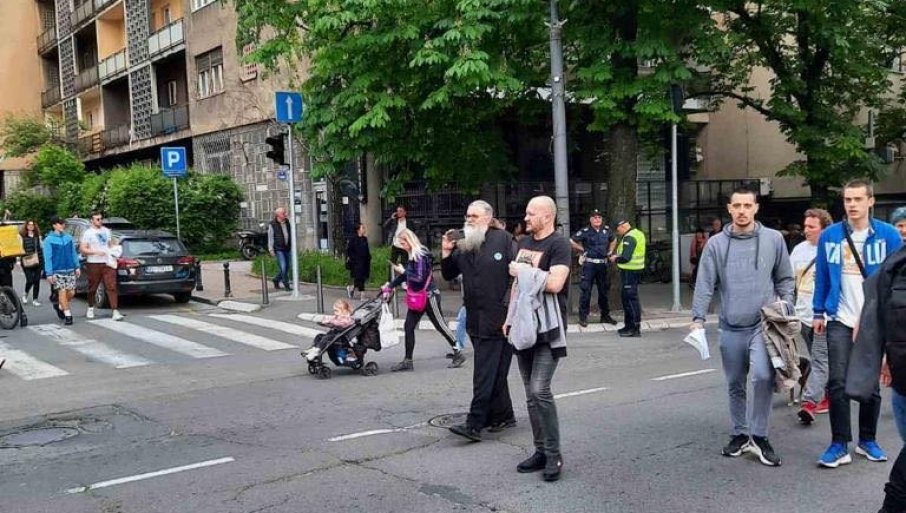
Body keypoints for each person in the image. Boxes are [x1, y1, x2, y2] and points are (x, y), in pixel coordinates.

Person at [690, 186, 794, 467]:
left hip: (763, 325)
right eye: (737, 206)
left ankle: (759, 436)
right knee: (735, 382)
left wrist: (787, 306)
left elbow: (785, 278)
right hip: (731, 326)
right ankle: (739, 433)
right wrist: (698, 318)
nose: (742, 211)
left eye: (748, 205)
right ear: (729, 209)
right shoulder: (715, 244)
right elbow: (704, 283)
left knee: (762, 376)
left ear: (756, 208)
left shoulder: (773, 239)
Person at [812, 179, 903, 468]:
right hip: (840, 317)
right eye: (847, 199)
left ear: (870, 201)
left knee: (869, 383)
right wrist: (818, 311)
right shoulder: (830, 236)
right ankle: (839, 444)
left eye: (857, 199)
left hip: (874, 320)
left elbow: (897, 280)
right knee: (837, 381)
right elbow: (822, 275)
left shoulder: (888, 235)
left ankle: (867, 440)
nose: (852, 204)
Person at [504, 195, 570, 482]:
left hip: (549, 327)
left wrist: (524, 271)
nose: (526, 218)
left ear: (547, 216)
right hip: (523, 326)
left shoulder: (559, 244)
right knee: (530, 395)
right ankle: (540, 451)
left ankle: (554, 454)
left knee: (540, 390)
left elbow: (555, 283)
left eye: (531, 214)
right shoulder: (524, 243)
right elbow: (517, 286)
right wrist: (508, 319)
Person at [442, 200, 517, 442]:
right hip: (475, 317)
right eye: (467, 216)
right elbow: (449, 274)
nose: (469, 220)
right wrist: (446, 252)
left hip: (499, 318)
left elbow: (516, 278)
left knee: (484, 372)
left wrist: (508, 309)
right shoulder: (466, 242)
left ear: (487, 217)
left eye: (473, 216)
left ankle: (474, 423)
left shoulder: (504, 240)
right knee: (495, 371)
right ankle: (503, 415)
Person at [382, 229, 465, 371]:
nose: (402, 246)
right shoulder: (412, 254)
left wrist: (404, 272)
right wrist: (390, 286)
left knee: (440, 325)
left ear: (409, 240)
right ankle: (408, 360)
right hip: (418, 297)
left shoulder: (421, 254)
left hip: (429, 295)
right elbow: (407, 276)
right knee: (408, 326)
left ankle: (458, 352)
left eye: (403, 243)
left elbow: (419, 278)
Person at [791, 208, 833, 424]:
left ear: (824, 229)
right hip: (803, 315)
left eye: (811, 227)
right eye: (805, 226)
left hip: (823, 317)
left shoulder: (833, 249)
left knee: (820, 359)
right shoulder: (799, 250)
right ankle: (829, 393)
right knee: (819, 360)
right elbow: (788, 280)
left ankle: (810, 403)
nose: (806, 230)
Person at [570, 209, 617, 327]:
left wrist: (610, 251)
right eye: (595, 218)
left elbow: (613, 239)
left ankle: (605, 316)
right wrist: (582, 249)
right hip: (589, 264)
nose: (597, 220)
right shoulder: (585, 231)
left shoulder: (606, 230)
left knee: (603, 291)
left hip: (602, 264)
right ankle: (583, 317)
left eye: (599, 218)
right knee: (586, 291)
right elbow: (572, 240)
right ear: (590, 219)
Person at [80, 212, 123, 321]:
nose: (100, 221)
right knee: (93, 287)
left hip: (107, 262)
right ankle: (90, 307)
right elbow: (83, 249)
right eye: (97, 219)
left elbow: (110, 244)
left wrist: (115, 250)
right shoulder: (88, 233)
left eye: (101, 219)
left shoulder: (106, 231)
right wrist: (95, 252)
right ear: (92, 221)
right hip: (94, 262)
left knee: (111, 286)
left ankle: (115, 310)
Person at [609, 217, 646, 337]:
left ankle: (634, 328)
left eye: (617, 229)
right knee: (627, 298)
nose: (617, 232)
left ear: (622, 226)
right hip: (633, 271)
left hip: (630, 271)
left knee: (630, 299)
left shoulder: (629, 237)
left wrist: (615, 258)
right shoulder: (637, 233)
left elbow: (626, 257)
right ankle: (628, 326)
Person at [43, 217, 80, 325]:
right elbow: (48, 258)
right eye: (60, 223)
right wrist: (49, 273)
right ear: (54, 225)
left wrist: (77, 266)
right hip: (57, 271)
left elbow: (73, 253)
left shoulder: (68, 238)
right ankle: (68, 315)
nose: (63, 225)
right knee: (62, 292)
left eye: (63, 223)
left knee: (71, 292)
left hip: (70, 269)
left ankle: (61, 304)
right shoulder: (48, 240)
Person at [19, 220, 43, 306]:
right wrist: (20, 259)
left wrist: (42, 261)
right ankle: (25, 294)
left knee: (37, 280)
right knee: (30, 280)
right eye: (29, 224)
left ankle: (35, 299)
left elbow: (41, 248)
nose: (31, 226)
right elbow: (20, 249)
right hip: (26, 261)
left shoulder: (38, 237)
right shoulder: (22, 236)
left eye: (32, 225)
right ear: (26, 226)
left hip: (38, 260)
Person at [268, 207, 292, 290]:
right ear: (278, 215)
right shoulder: (272, 224)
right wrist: (271, 249)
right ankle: (286, 285)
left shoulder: (287, 222)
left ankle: (276, 279)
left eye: (285, 213)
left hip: (287, 248)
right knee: (283, 267)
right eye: (283, 213)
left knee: (287, 267)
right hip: (279, 249)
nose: (285, 214)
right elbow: (270, 237)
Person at [345, 223, 371, 300]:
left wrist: (369, 258)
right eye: (363, 228)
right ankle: (362, 296)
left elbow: (367, 250)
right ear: (358, 230)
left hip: (365, 262)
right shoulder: (353, 239)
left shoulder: (365, 239)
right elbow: (349, 251)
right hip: (356, 262)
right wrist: (354, 259)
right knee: (360, 278)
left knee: (360, 278)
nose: (364, 229)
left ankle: (351, 288)